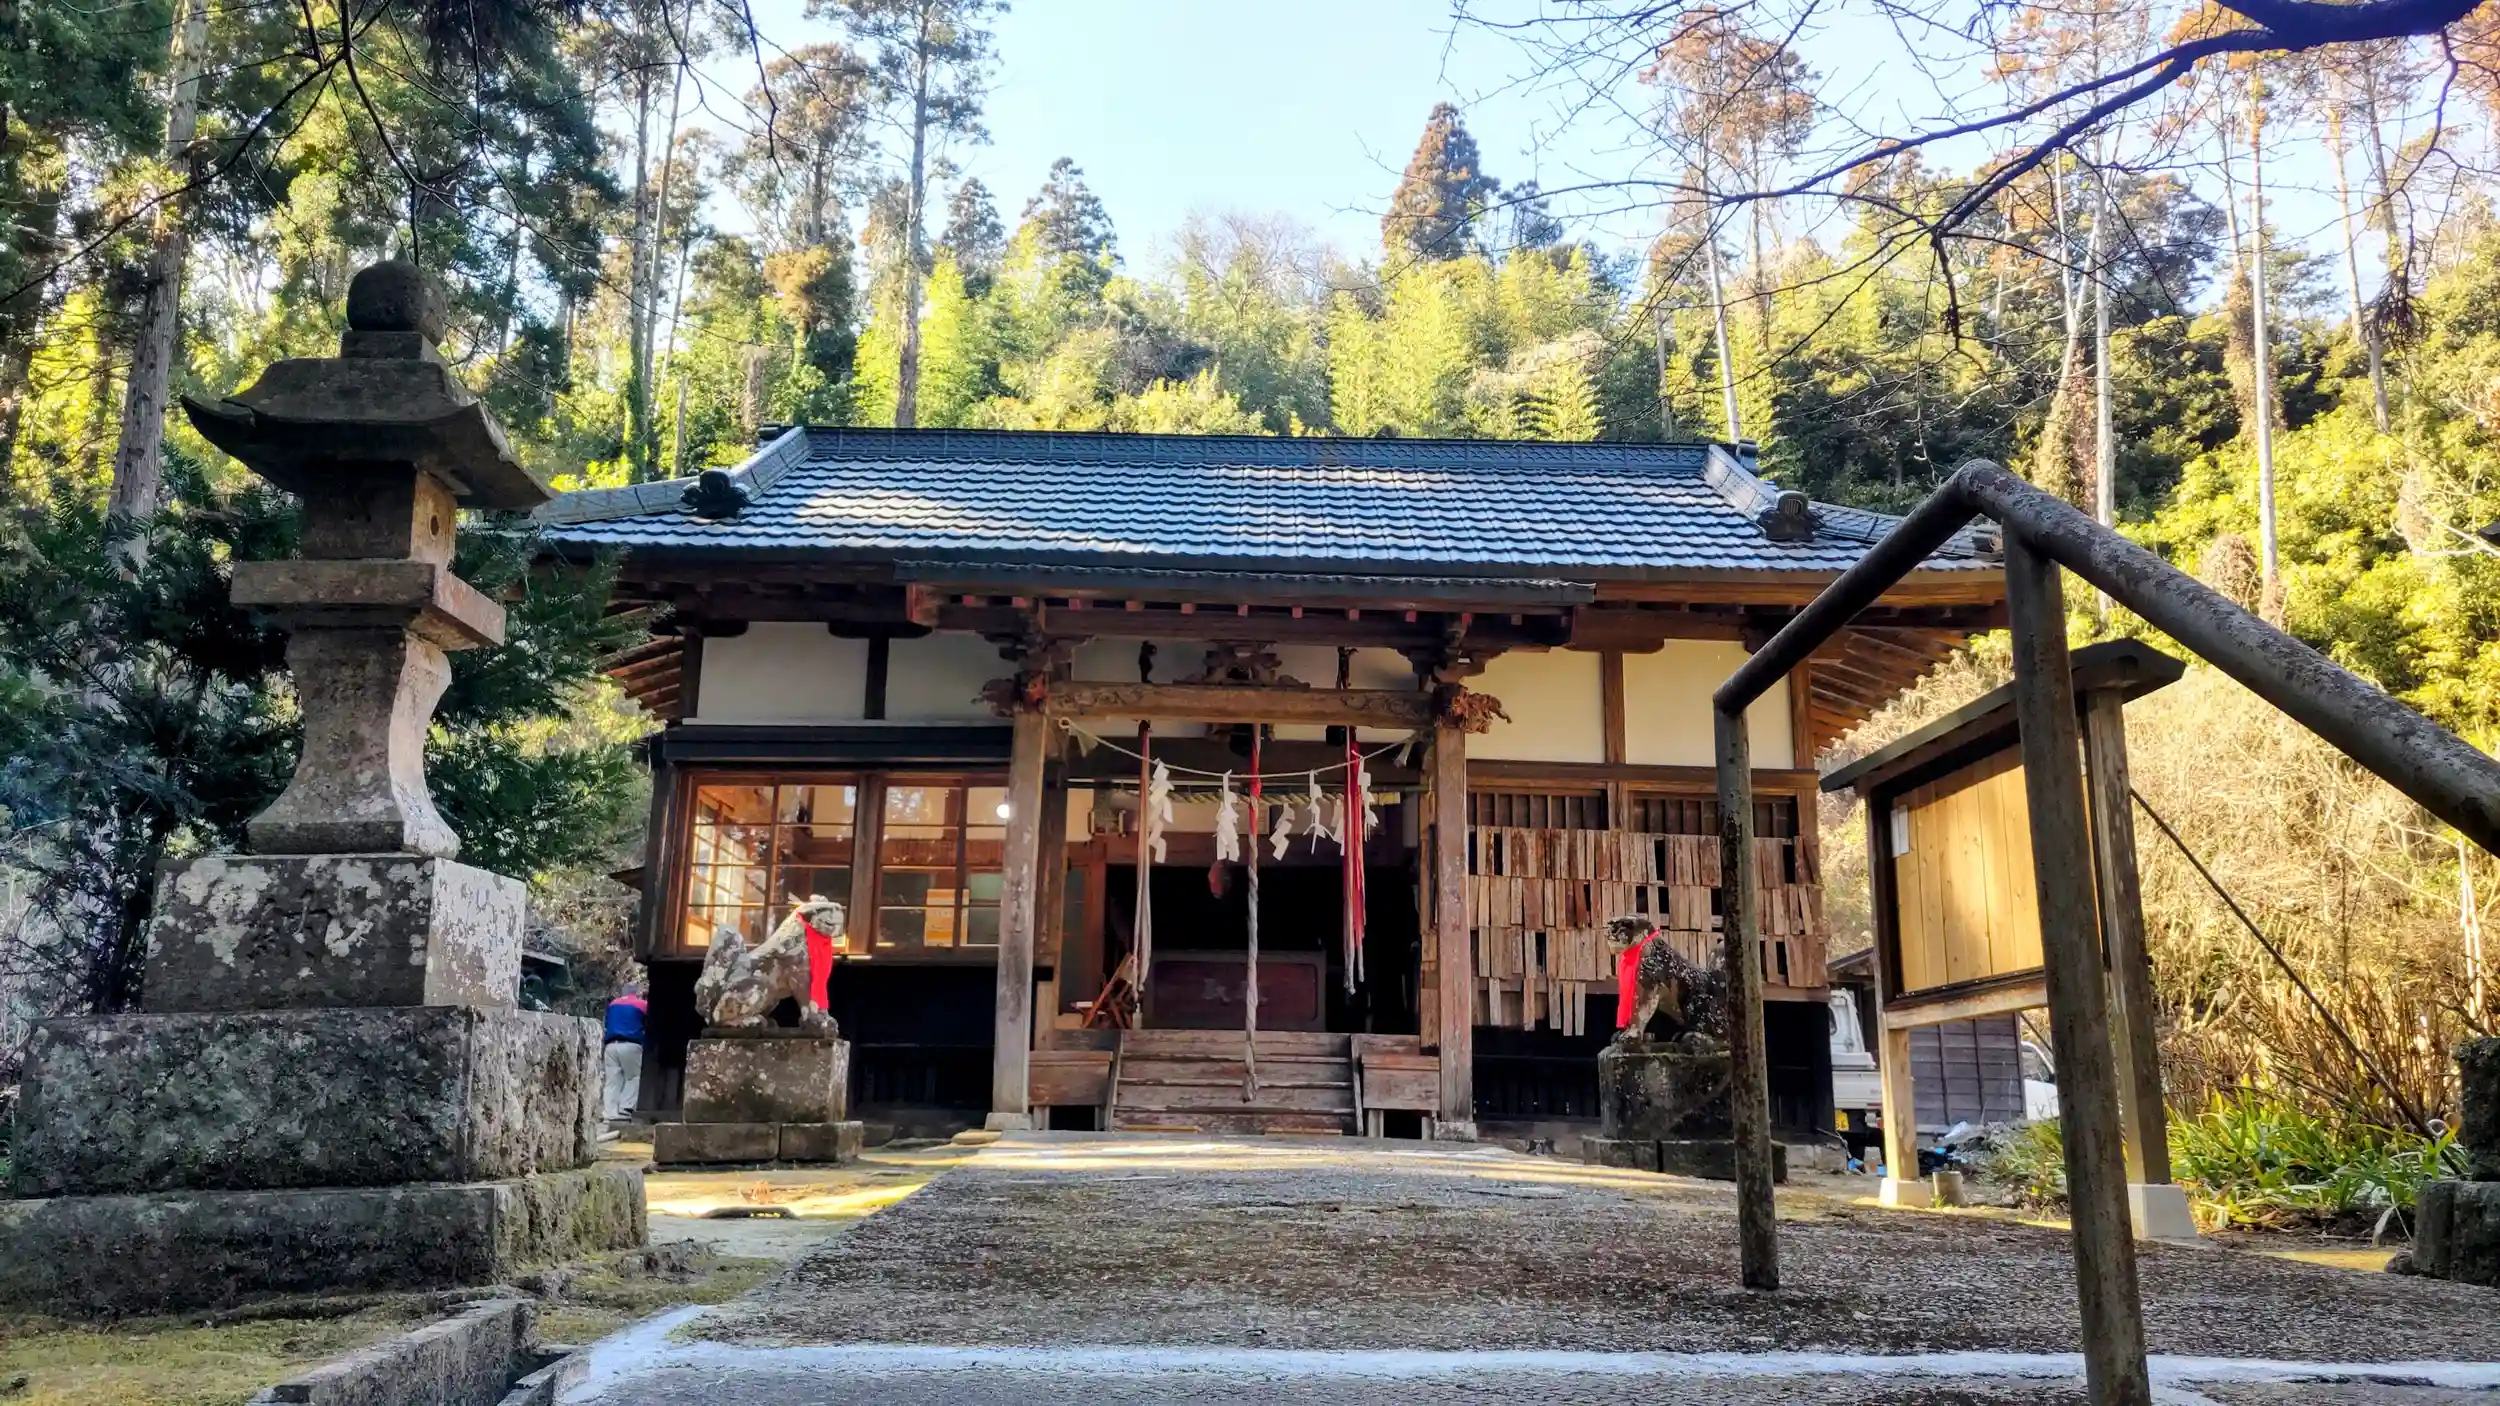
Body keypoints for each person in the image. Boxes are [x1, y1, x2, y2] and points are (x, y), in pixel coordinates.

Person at [601, 982, 649, 1127]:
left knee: (612, 1081)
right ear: (637, 992)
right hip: (631, 1045)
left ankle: (609, 1114)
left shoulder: (613, 1004)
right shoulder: (642, 1005)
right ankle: (625, 1109)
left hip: (611, 1046)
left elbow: (607, 1023)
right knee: (633, 1077)